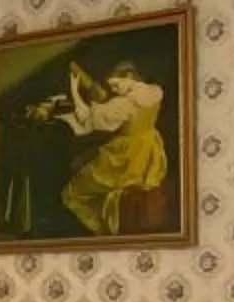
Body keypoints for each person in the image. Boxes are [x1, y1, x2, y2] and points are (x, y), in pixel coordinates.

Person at [29, 57, 167, 235]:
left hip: (125, 155)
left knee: (72, 193)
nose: (114, 90)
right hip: (149, 146)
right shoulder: (155, 91)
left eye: (116, 85)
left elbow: (87, 118)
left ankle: (101, 231)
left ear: (130, 75)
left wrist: (75, 90)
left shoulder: (124, 104)